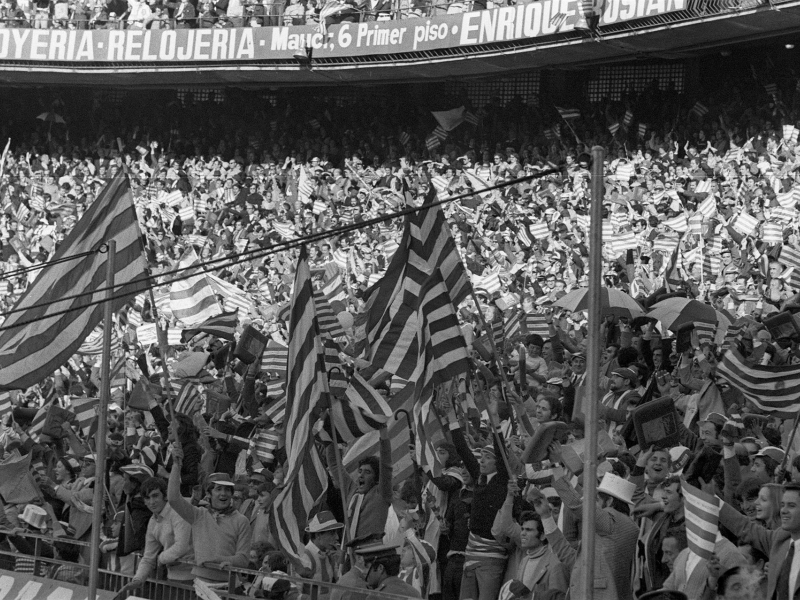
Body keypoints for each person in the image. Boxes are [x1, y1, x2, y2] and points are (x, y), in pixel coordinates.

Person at [533, 466, 639, 600]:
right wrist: (546, 516)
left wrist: (556, 468)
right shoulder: (608, 530)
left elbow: (576, 505)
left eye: (596, 500)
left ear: (610, 501)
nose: (592, 505)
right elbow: (569, 557)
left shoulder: (614, 521)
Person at [166, 442, 252, 587]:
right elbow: (173, 499)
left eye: (227, 490)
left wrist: (220, 560)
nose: (223, 494)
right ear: (208, 493)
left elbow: (243, 558)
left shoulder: (241, 520)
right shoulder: (199, 515)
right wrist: (176, 466)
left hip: (229, 586)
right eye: (218, 489)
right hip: (201, 584)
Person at [717, 482, 800, 599]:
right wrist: (710, 498)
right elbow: (743, 526)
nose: (784, 511)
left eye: (791, 505)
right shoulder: (779, 538)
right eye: (782, 505)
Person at [118, 476, 194, 596]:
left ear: (165, 496)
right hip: (172, 578)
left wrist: (161, 558)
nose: (151, 502)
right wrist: (138, 579)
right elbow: (148, 557)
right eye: (147, 498)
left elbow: (181, 546)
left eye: (155, 496)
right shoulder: (153, 521)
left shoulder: (178, 512)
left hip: (194, 579)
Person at [491, 483, 569, 597]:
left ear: (542, 536)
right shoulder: (525, 560)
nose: (522, 533)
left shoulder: (556, 564)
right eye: (522, 529)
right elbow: (506, 525)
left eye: (528, 530)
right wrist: (509, 496)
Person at [354, 542, 421, 599]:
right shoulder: (414, 593)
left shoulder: (376, 597)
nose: (363, 572)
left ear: (380, 568)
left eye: (367, 567)